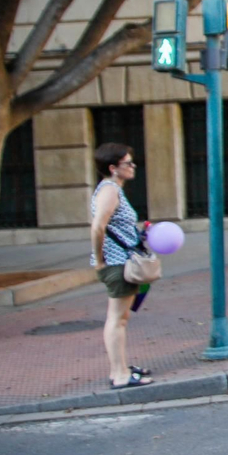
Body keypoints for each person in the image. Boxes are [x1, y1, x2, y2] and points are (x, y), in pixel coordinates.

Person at [89, 143, 151, 389]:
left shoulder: (112, 189)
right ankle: (119, 374)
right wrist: (100, 260)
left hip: (120, 261)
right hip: (116, 264)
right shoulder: (109, 190)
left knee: (120, 318)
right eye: (127, 163)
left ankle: (121, 367)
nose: (133, 166)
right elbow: (98, 226)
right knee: (117, 319)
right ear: (113, 168)